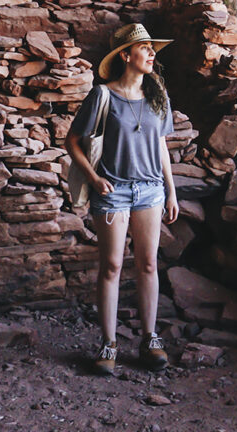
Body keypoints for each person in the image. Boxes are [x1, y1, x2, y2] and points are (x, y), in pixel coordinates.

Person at [64, 23, 179, 375]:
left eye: (152, 48)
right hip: (113, 191)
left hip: (150, 190)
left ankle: (149, 339)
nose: (151, 53)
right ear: (126, 56)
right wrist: (95, 178)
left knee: (147, 264)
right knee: (112, 265)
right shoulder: (103, 95)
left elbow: (160, 144)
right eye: (145, 47)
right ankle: (108, 344)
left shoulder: (157, 94)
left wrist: (171, 190)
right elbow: (72, 141)